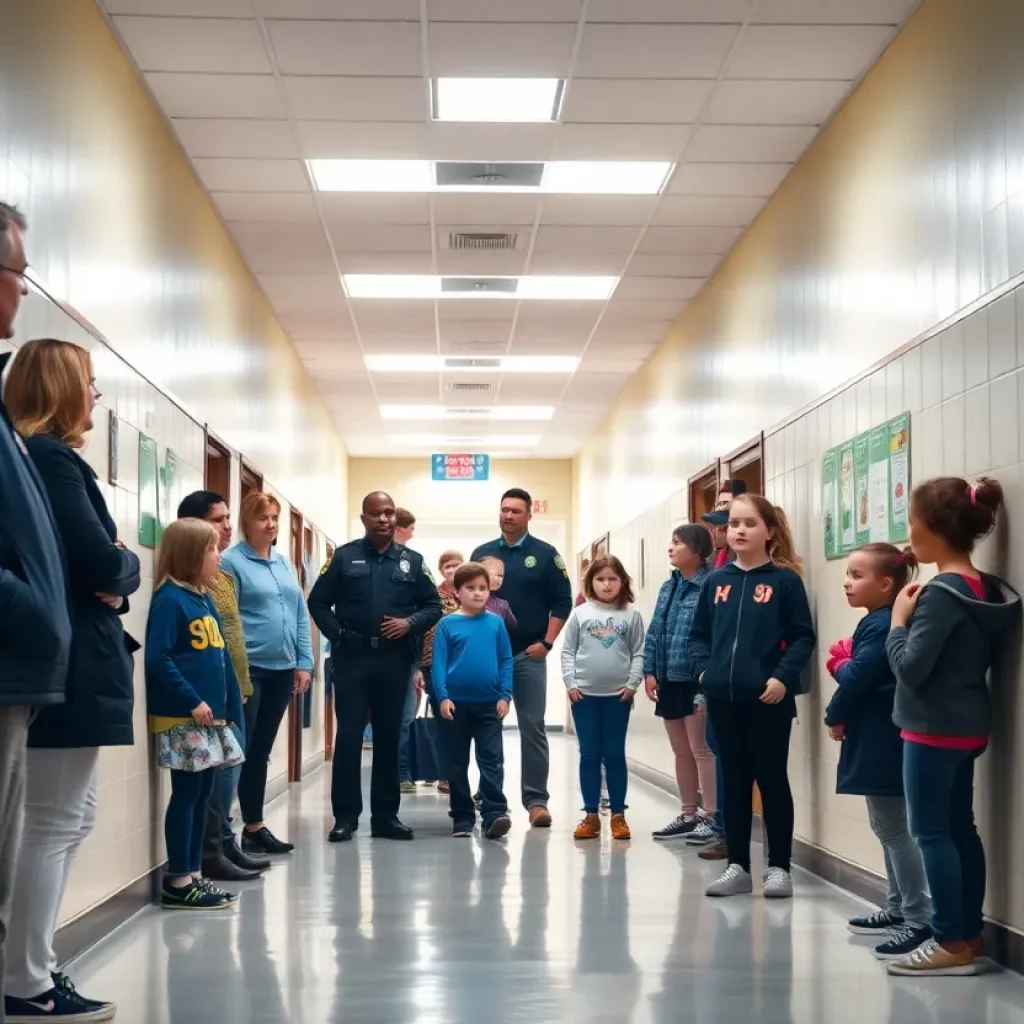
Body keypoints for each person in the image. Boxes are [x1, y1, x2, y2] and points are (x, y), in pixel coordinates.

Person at [3, 340, 139, 1022]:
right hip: (72, 660)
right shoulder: (52, 460)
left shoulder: (38, 459)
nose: (98, 395)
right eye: (90, 382)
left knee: (67, 816)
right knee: (53, 821)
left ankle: (31, 963)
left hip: (72, 656)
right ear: (60, 387)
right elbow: (101, 561)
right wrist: (121, 573)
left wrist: (116, 571)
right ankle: (26, 981)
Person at [885, 477, 1020, 978]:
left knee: (931, 833)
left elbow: (911, 667)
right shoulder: (980, 587)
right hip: (967, 725)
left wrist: (898, 621)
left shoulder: (940, 593)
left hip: (930, 729)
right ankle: (966, 935)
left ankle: (947, 940)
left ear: (935, 530)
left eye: (914, 523)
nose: (910, 533)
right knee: (960, 828)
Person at [0, 204, 72, 1024]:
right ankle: (25, 981)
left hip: (20, 664)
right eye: (19, 274)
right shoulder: (42, 450)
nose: (22, 292)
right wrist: (39, 614)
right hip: (14, 651)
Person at [688, 494, 815, 900]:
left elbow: (802, 637)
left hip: (769, 699)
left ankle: (779, 867)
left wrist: (782, 678)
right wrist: (704, 671)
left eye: (749, 523)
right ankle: (737, 867)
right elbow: (698, 638)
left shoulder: (785, 580)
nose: (739, 530)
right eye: (734, 524)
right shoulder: (715, 582)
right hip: (723, 699)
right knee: (735, 782)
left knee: (772, 780)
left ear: (770, 532)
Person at [308, 492, 442, 842]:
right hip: (352, 658)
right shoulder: (344, 557)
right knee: (350, 737)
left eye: (389, 513)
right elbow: (318, 601)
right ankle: (345, 817)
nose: (383, 519)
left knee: (387, 736)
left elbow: (433, 605)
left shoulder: (412, 561)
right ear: (363, 518)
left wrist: (410, 624)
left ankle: (385, 816)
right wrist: (337, 634)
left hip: (393, 660)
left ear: (395, 517)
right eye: (376, 514)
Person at [824, 543, 932, 962]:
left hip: (884, 737)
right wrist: (846, 663)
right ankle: (897, 905)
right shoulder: (876, 621)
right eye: (847, 574)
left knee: (894, 829)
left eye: (856, 575)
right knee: (885, 826)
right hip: (875, 732)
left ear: (886, 584)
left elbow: (859, 674)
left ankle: (918, 917)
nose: (847, 583)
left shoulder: (882, 623)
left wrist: (837, 681)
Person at [146, 519, 246, 911]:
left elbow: (221, 660)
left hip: (211, 718)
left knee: (204, 795)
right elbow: (159, 657)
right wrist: (192, 700)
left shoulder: (203, 598)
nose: (218, 556)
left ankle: (194, 874)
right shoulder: (170, 600)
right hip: (185, 717)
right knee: (187, 795)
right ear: (192, 555)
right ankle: (179, 879)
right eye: (212, 550)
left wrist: (230, 709)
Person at [177, 491, 269, 883]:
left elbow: (233, 636)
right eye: (219, 519)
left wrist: (240, 685)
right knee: (214, 781)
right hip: (210, 698)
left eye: (229, 517)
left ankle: (226, 842)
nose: (228, 526)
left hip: (236, 688)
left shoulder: (223, 576)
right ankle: (210, 852)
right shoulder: (190, 583)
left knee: (232, 770)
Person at [472, 488, 572, 827]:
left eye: (515, 511)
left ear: (529, 515)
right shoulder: (482, 553)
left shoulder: (545, 555)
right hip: (487, 658)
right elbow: (470, 600)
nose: (508, 516)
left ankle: (536, 801)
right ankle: (490, 799)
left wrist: (547, 642)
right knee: (487, 727)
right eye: (504, 510)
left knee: (533, 728)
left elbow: (563, 601)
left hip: (528, 655)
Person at [221, 493, 313, 856]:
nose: (271, 525)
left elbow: (300, 614)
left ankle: (254, 827)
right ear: (248, 522)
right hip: (250, 670)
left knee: (261, 750)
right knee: (240, 750)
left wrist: (304, 662)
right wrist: (238, 675)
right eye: (263, 518)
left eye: (275, 518)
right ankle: (225, 830)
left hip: (283, 668)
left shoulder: (285, 563)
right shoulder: (231, 563)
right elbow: (229, 621)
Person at [643, 525, 718, 845]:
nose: (671, 548)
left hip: (696, 680)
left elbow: (713, 637)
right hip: (668, 678)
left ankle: (710, 816)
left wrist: (706, 686)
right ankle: (688, 814)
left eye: (678, 543)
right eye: (671, 542)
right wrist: (649, 671)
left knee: (702, 749)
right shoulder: (668, 586)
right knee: (680, 750)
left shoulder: (711, 585)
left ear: (698, 550)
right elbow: (655, 630)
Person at [562, 556, 645, 842]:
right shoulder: (580, 614)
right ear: (590, 583)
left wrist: (632, 684)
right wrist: (570, 683)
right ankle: (591, 815)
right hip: (583, 695)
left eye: (612, 579)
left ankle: (619, 815)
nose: (606, 585)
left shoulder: (631, 616)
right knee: (589, 754)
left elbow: (638, 652)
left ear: (622, 582)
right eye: (600, 579)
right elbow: (567, 652)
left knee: (614, 753)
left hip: (618, 696)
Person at [434, 562, 513, 840]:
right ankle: (462, 817)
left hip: (490, 705)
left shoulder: (495, 623)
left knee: (491, 760)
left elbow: (505, 660)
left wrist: (505, 695)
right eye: (471, 588)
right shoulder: (447, 624)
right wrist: (442, 697)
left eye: (482, 588)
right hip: (455, 706)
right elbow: (439, 663)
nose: (478, 593)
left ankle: (494, 814)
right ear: (457, 592)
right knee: (456, 762)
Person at [418, 551, 462, 792]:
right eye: (447, 565)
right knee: (442, 715)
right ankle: (444, 773)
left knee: (460, 720)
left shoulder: (468, 593)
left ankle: (455, 772)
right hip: (433, 662)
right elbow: (423, 630)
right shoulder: (432, 595)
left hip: (462, 664)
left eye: (456, 565)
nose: (452, 569)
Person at [394, 509, 422, 794]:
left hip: (406, 658)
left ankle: (402, 772)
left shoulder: (413, 564)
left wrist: (419, 667)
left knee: (405, 718)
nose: (412, 535)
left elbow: (426, 613)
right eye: (410, 529)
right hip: (370, 657)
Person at [701, 479, 747, 570]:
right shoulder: (715, 555)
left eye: (720, 529)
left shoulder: (746, 556)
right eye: (719, 504)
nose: (720, 507)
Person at [479, 556, 518, 633]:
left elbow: (512, 626)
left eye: (500, 575)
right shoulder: (464, 600)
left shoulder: (502, 605)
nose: (495, 579)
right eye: (490, 574)